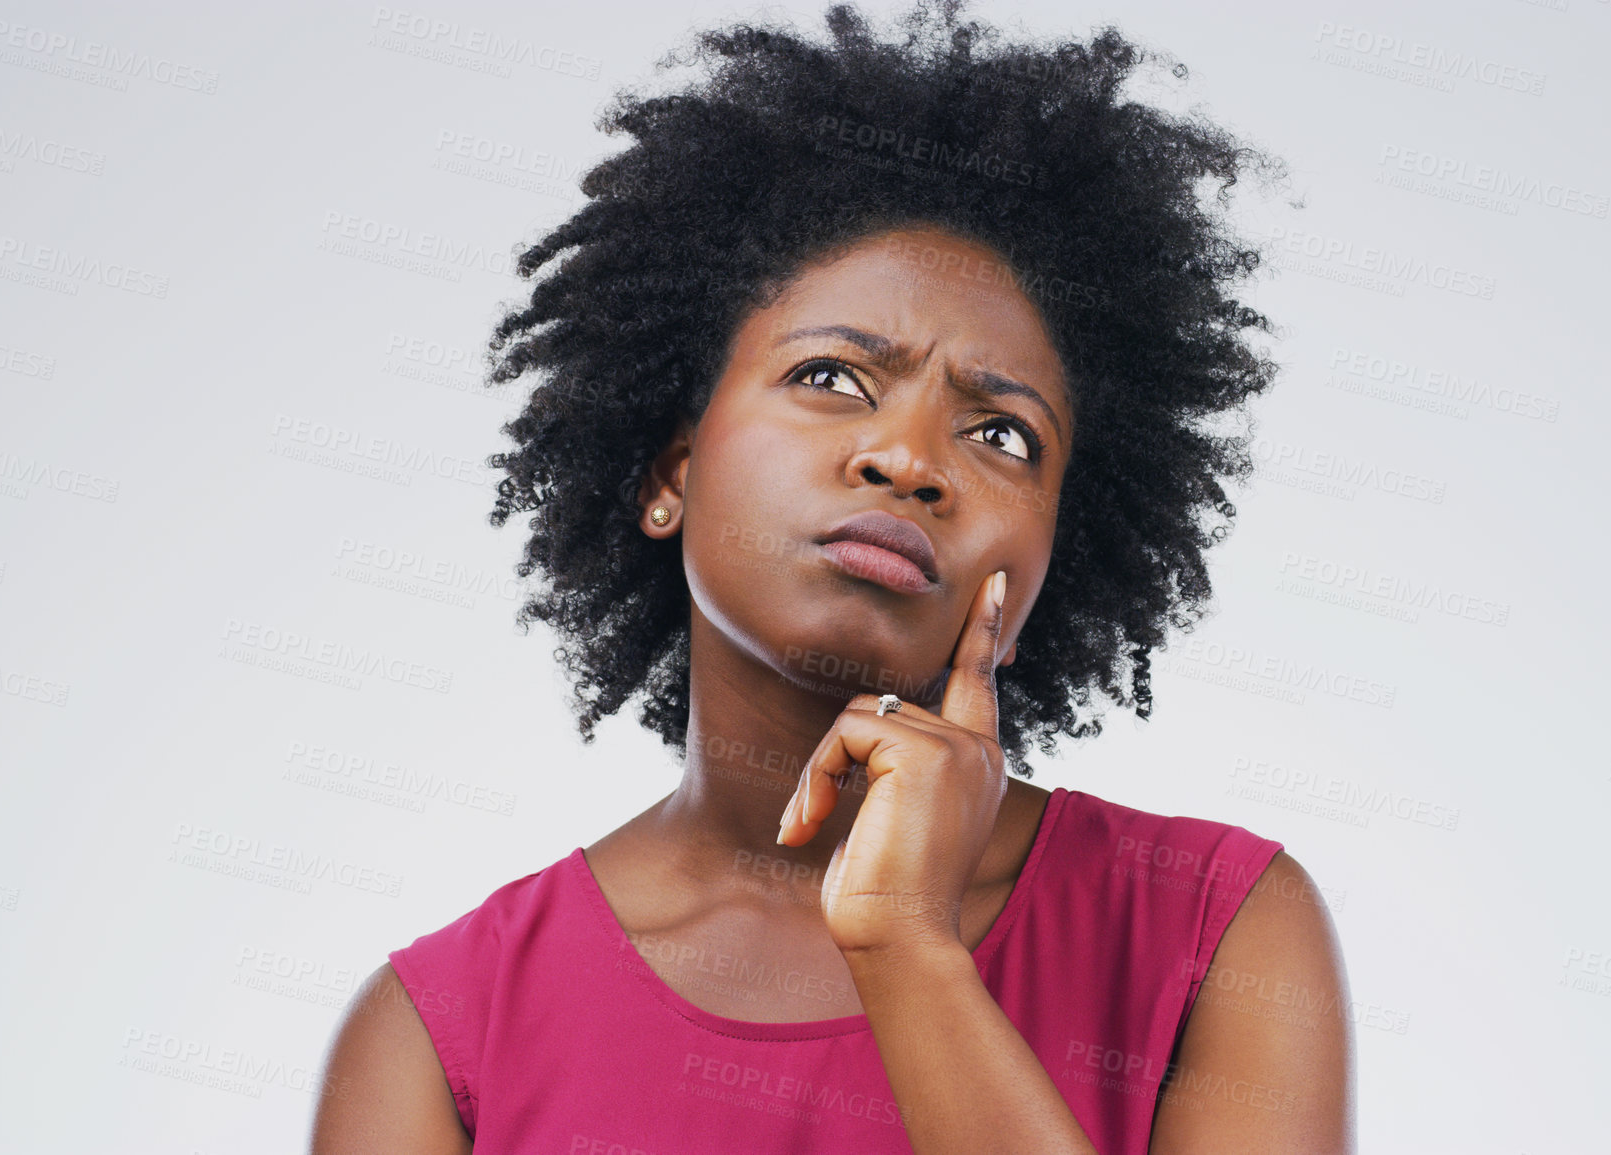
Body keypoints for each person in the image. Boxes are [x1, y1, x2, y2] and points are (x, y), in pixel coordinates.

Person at [310, 2, 1354, 1151]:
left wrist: (907, 945)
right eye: (834, 377)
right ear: (673, 468)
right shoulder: (440, 1033)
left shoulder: (1217, 930)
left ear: (1055, 558)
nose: (907, 459)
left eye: (1003, 436)